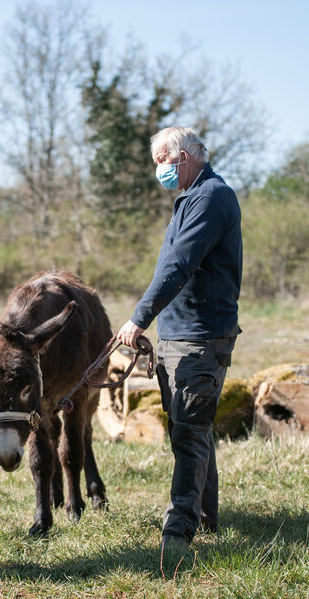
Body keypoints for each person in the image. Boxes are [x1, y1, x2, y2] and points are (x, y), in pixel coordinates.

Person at [116, 126, 242, 567]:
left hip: (199, 337)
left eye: (161, 160)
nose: (158, 170)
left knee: (189, 433)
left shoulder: (210, 198)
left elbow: (179, 265)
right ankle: (205, 516)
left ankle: (178, 531)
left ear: (184, 156)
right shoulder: (190, 198)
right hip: (179, 334)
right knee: (194, 429)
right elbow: (172, 267)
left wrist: (138, 318)